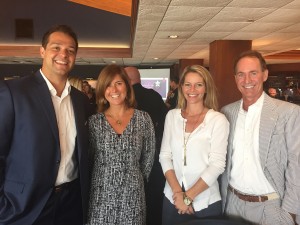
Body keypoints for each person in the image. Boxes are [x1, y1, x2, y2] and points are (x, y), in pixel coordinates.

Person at [0, 24, 91, 225]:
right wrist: (3, 206)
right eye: (56, 47)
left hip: (71, 203)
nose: (63, 55)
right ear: (42, 51)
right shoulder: (14, 92)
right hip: (24, 207)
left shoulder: (80, 100)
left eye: (70, 50)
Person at [220, 50, 300, 225]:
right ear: (235, 78)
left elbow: (297, 166)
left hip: (272, 208)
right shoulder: (227, 112)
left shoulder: (289, 113)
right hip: (233, 205)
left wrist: (290, 213)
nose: (247, 80)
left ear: (264, 75)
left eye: (253, 73)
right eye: (241, 74)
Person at [159, 65, 229, 225]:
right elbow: (165, 156)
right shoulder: (172, 116)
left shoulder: (218, 120)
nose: (192, 89)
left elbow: (217, 165)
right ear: (181, 87)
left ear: (206, 88)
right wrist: (179, 194)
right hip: (173, 200)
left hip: (205, 202)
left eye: (199, 84)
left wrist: (188, 196)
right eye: (188, 84)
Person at [87, 64, 156, 225]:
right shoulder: (94, 122)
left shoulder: (143, 119)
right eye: (108, 85)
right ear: (102, 90)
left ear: (127, 85)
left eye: (118, 83)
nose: (114, 90)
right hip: (100, 195)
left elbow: (148, 157)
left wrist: (131, 177)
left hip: (132, 194)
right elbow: (89, 160)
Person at [124, 66, 168, 225]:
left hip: (129, 167)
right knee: (153, 203)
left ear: (127, 80)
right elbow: (164, 126)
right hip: (155, 159)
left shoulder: (124, 99)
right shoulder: (154, 96)